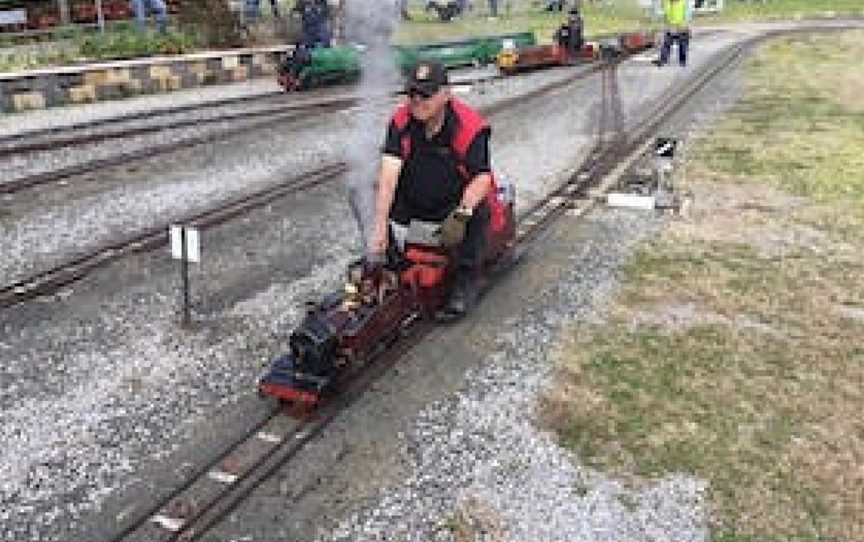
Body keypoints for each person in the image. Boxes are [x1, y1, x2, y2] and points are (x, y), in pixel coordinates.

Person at [371, 61, 495, 319]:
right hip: (415, 198)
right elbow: (389, 174)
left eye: (425, 95)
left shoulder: (469, 127)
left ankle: (467, 281)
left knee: (479, 210)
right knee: (370, 190)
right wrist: (381, 224)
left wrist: (460, 215)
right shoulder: (401, 121)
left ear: (445, 94)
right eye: (412, 94)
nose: (417, 101)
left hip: (451, 204)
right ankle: (396, 265)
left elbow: (482, 178)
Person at [657, 0, 692, 67]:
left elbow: (688, 13)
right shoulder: (665, 2)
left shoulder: (684, 2)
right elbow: (662, 12)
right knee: (666, 44)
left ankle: (682, 61)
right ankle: (663, 60)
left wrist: (686, 24)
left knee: (683, 45)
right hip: (669, 26)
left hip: (681, 26)